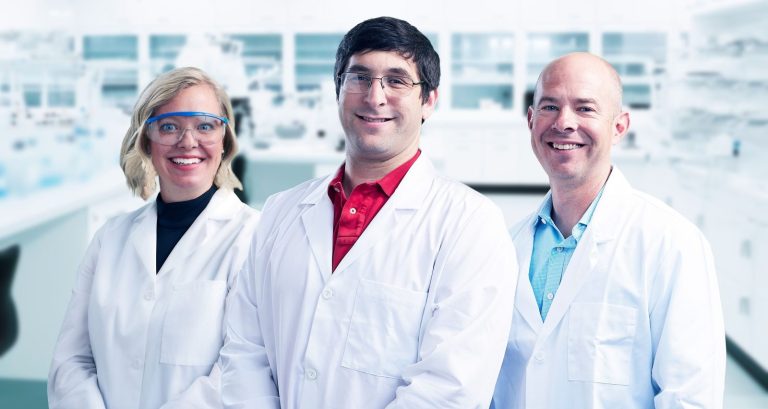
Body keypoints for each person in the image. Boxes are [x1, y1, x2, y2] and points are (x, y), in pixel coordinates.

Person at [220, 16, 517, 409]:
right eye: (359, 78)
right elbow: (243, 352)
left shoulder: (470, 225)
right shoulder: (280, 212)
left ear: (428, 100)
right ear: (338, 91)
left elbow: (450, 387)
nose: (375, 97)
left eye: (396, 81)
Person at [491, 52, 725, 408]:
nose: (564, 123)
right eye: (549, 107)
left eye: (585, 108)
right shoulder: (506, 246)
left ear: (619, 126)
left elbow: (690, 396)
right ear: (530, 120)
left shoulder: (671, 243)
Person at [48, 67, 260, 409]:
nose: (188, 141)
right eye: (169, 127)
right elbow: (71, 359)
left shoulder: (254, 239)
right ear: (147, 141)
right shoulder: (110, 239)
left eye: (205, 126)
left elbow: (242, 370)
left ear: (224, 140)